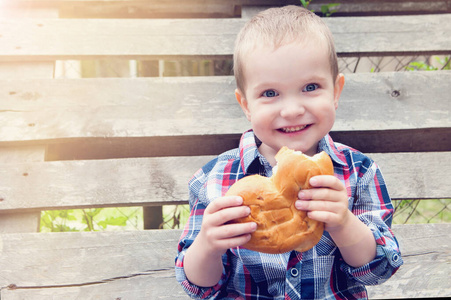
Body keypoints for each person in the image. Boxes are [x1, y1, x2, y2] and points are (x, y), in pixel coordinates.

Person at [175, 5, 403, 299]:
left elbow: (379, 270)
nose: (293, 110)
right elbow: (198, 286)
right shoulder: (212, 181)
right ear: (246, 105)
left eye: (310, 87)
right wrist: (208, 246)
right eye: (270, 93)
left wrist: (344, 224)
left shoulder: (358, 172)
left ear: (335, 92)